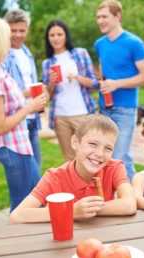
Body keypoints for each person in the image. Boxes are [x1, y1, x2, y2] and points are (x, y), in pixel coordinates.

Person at [9, 115, 137, 223]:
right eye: (93, 144)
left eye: (108, 148)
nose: (100, 153)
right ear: (75, 142)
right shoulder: (54, 177)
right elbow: (17, 216)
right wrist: (71, 212)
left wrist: (87, 210)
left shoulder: (114, 167)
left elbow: (130, 204)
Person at [0, 18, 47, 211]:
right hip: (12, 148)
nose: (11, 41)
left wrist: (33, 95)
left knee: (36, 199)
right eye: (8, 37)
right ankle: (18, 241)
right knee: (23, 206)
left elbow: (10, 100)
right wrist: (30, 107)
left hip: (20, 146)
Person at [94, 0, 144, 181]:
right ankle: (134, 196)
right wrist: (101, 82)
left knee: (115, 157)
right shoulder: (99, 44)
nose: (100, 21)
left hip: (125, 109)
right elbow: (104, 72)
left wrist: (117, 84)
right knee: (120, 157)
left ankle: (125, 199)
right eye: (98, 17)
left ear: (117, 16)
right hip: (104, 107)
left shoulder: (134, 43)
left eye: (104, 17)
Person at [42, 20, 98, 161]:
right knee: (69, 159)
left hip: (82, 114)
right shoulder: (47, 63)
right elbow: (47, 96)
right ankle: (76, 184)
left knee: (89, 156)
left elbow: (95, 83)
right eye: (52, 35)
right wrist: (51, 83)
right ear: (48, 39)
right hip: (60, 117)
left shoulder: (80, 54)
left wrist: (78, 78)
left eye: (59, 34)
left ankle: (93, 183)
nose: (56, 38)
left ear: (66, 35)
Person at [4, 9, 42, 168]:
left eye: (22, 30)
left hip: (33, 118)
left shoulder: (27, 53)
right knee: (24, 173)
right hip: (17, 120)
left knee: (36, 169)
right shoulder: (3, 54)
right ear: (6, 30)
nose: (18, 35)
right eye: (14, 31)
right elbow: (1, 94)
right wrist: (26, 93)